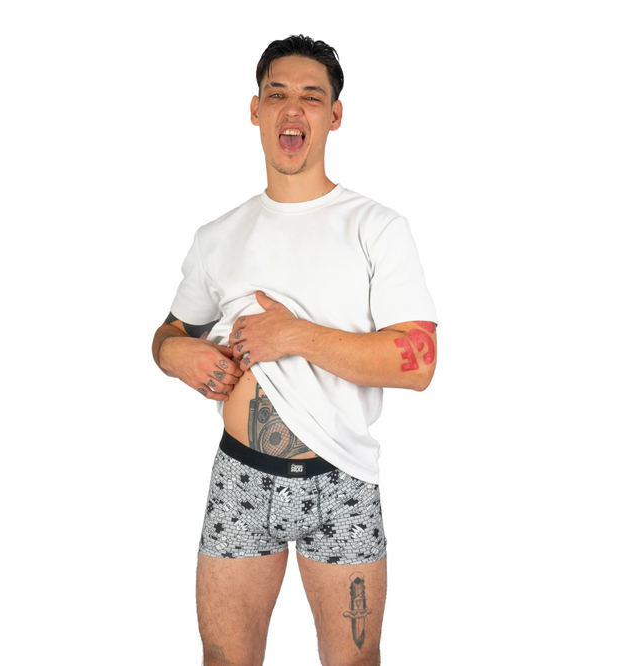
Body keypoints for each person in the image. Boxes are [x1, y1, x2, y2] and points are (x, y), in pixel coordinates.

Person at [152, 34, 438, 666]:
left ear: (334, 115)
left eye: (311, 96)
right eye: (277, 93)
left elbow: (418, 363)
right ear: (255, 109)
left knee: (355, 662)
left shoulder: (376, 227)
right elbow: (170, 333)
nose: (292, 108)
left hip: (342, 481)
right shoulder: (218, 235)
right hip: (240, 478)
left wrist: (293, 336)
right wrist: (174, 356)